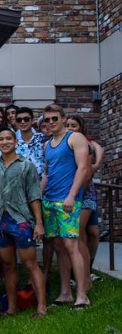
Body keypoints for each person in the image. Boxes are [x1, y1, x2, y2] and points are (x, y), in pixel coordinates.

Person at [0, 128, 48, 318]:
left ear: (15, 142)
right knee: (8, 266)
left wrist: (39, 223)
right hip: (0, 221)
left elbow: (34, 195)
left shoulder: (26, 165)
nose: (5, 142)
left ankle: (41, 307)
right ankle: (12, 307)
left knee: (31, 263)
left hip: (21, 221)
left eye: (9, 138)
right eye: (1, 139)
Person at [41, 104, 91, 308]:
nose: (51, 123)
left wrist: (71, 195)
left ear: (63, 118)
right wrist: (38, 195)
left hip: (67, 200)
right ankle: (65, 292)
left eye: (54, 118)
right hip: (50, 200)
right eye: (47, 120)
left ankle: (82, 295)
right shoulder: (47, 144)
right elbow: (46, 173)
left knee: (71, 245)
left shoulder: (75, 138)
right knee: (59, 247)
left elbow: (83, 167)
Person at [65, 115, 103, 277]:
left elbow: (98, 149)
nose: (70, 128)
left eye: (74, 125)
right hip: (78, 192)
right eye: (67, 125)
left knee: (91, 232)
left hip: (87, 193)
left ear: (81, 127)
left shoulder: (85, 142)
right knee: (82, 233)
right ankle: (81, 272)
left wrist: (96, 165)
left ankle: (87, 269)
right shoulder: (67, 144)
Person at [14, 107, 45, 177]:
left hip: (44, 185)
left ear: (32, 120)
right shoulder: (13, 144)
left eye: (26, 119)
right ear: (16, 122)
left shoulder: (42, 139)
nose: (23, 122)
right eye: (19, 120)